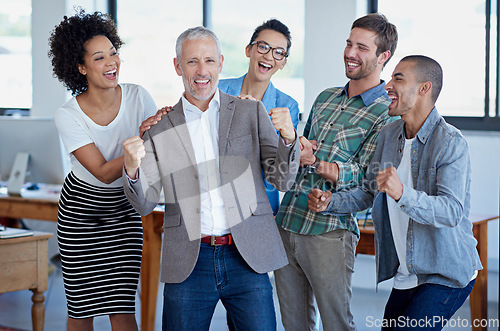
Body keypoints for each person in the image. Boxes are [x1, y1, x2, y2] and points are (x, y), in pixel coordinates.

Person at [122, 26, 299, 330]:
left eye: (209, 61)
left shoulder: (249, 112)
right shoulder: (161, 127)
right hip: (189, 261)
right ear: (178, 66)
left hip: (247, 257)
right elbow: (145, 203)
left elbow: (282, 180)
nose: (201, 71)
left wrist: (289, 138)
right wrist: (131, 168)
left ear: (220, 62)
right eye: (191, 62)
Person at [308, 55, 482, 330]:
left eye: (398, 78)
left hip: (445, 273)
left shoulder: (450, 142)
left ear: (424, 88)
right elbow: (369, 191)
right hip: (406, 274)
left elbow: (452, 211)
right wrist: (330, 201)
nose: (387, 85)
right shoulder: (389, 135)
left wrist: (402, 193)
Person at [274, 13, 398, 330]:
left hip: (329, 232)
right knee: (294, 324)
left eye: (362, 47)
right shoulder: (326, 98)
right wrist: (297, 149)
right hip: (287, 223)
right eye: (348, 43)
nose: (350, 52)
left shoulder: (387, 113)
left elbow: (367, 175)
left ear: (383, 56)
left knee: (336, 323)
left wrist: (314, 161)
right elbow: (303, 152)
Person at [48, 10, 157, 331]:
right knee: (81, 309)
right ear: (80, 67)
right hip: (81, 213)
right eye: (99, 57)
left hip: (124, 211)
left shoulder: (138, 96)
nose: (112, 62)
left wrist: (158, 131)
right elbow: (102, 172)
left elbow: (154, 154)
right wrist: (140, 138)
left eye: (114, 52)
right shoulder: (67, 114)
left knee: (122, 309)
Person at [218, 18, 300, 216]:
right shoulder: (217, 90)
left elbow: (281, 173)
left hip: (259, 210)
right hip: (216, 204)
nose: (269, 56)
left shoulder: (287, 106)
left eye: (279, 52)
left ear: (283, 62)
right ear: (249, 50)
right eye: (263, 47)